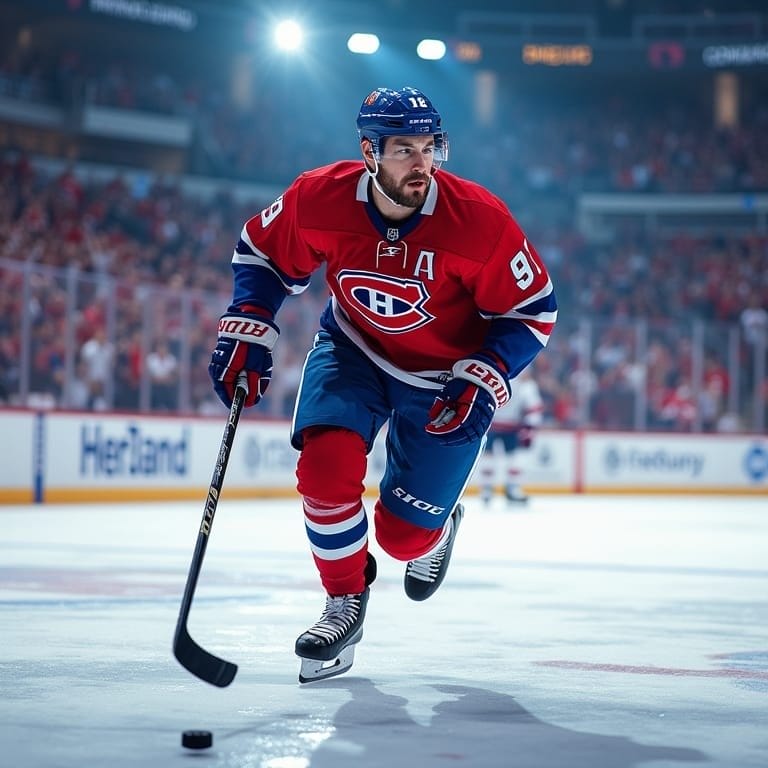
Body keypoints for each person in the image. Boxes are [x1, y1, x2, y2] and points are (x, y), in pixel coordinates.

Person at [208, 86, 557, 682]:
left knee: (404, 542)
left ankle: (439, 526)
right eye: (404, 150)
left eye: (431, 148)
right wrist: (250, 321)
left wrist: (484, 375)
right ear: (369, 153)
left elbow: (533, 310)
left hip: (443, 381)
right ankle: (344, 599)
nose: (422, 164)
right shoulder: (319, 196)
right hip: (354, 349)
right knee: (323, 471)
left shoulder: (480, 222)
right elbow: (264, 255)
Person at [479, 366, 544, 505]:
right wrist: (529, 427)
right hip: (499, 425)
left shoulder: (522, 384)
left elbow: (533, 409)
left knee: (508, 458)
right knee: (500, 458)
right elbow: (534, 409)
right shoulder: (526, 385)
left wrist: (529, 427)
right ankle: (494, 490)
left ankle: (492, 490)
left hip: (497, 424)